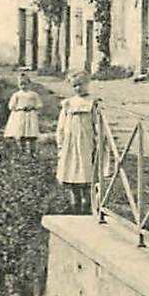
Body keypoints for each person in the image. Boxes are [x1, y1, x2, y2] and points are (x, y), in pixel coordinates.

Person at [55, 72, 99, 213]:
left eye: (81, 85)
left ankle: (88, 203)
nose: (78, 88)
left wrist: (98, 140)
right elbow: (61, 126)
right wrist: (60, 143)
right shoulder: (68, 103)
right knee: (71, 169)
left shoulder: (92, 102)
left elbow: (97, 123)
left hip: (86, 140)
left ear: (87, 84)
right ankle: (75, 203)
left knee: (86, 170)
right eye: (75, 86)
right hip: (71, 142)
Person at [3, 72, 42, 152]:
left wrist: (33, 107)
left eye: (25, 84)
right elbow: (11, 106)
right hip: (20, 115)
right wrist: (18, 108)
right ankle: (22, 151)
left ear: (29, 84)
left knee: (32, 135)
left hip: (31, 115)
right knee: (21, 134)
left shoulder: (33, 94)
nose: (23, 86)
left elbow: (39, 104)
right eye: (21, 84)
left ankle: (32, 152)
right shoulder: (16, 95)